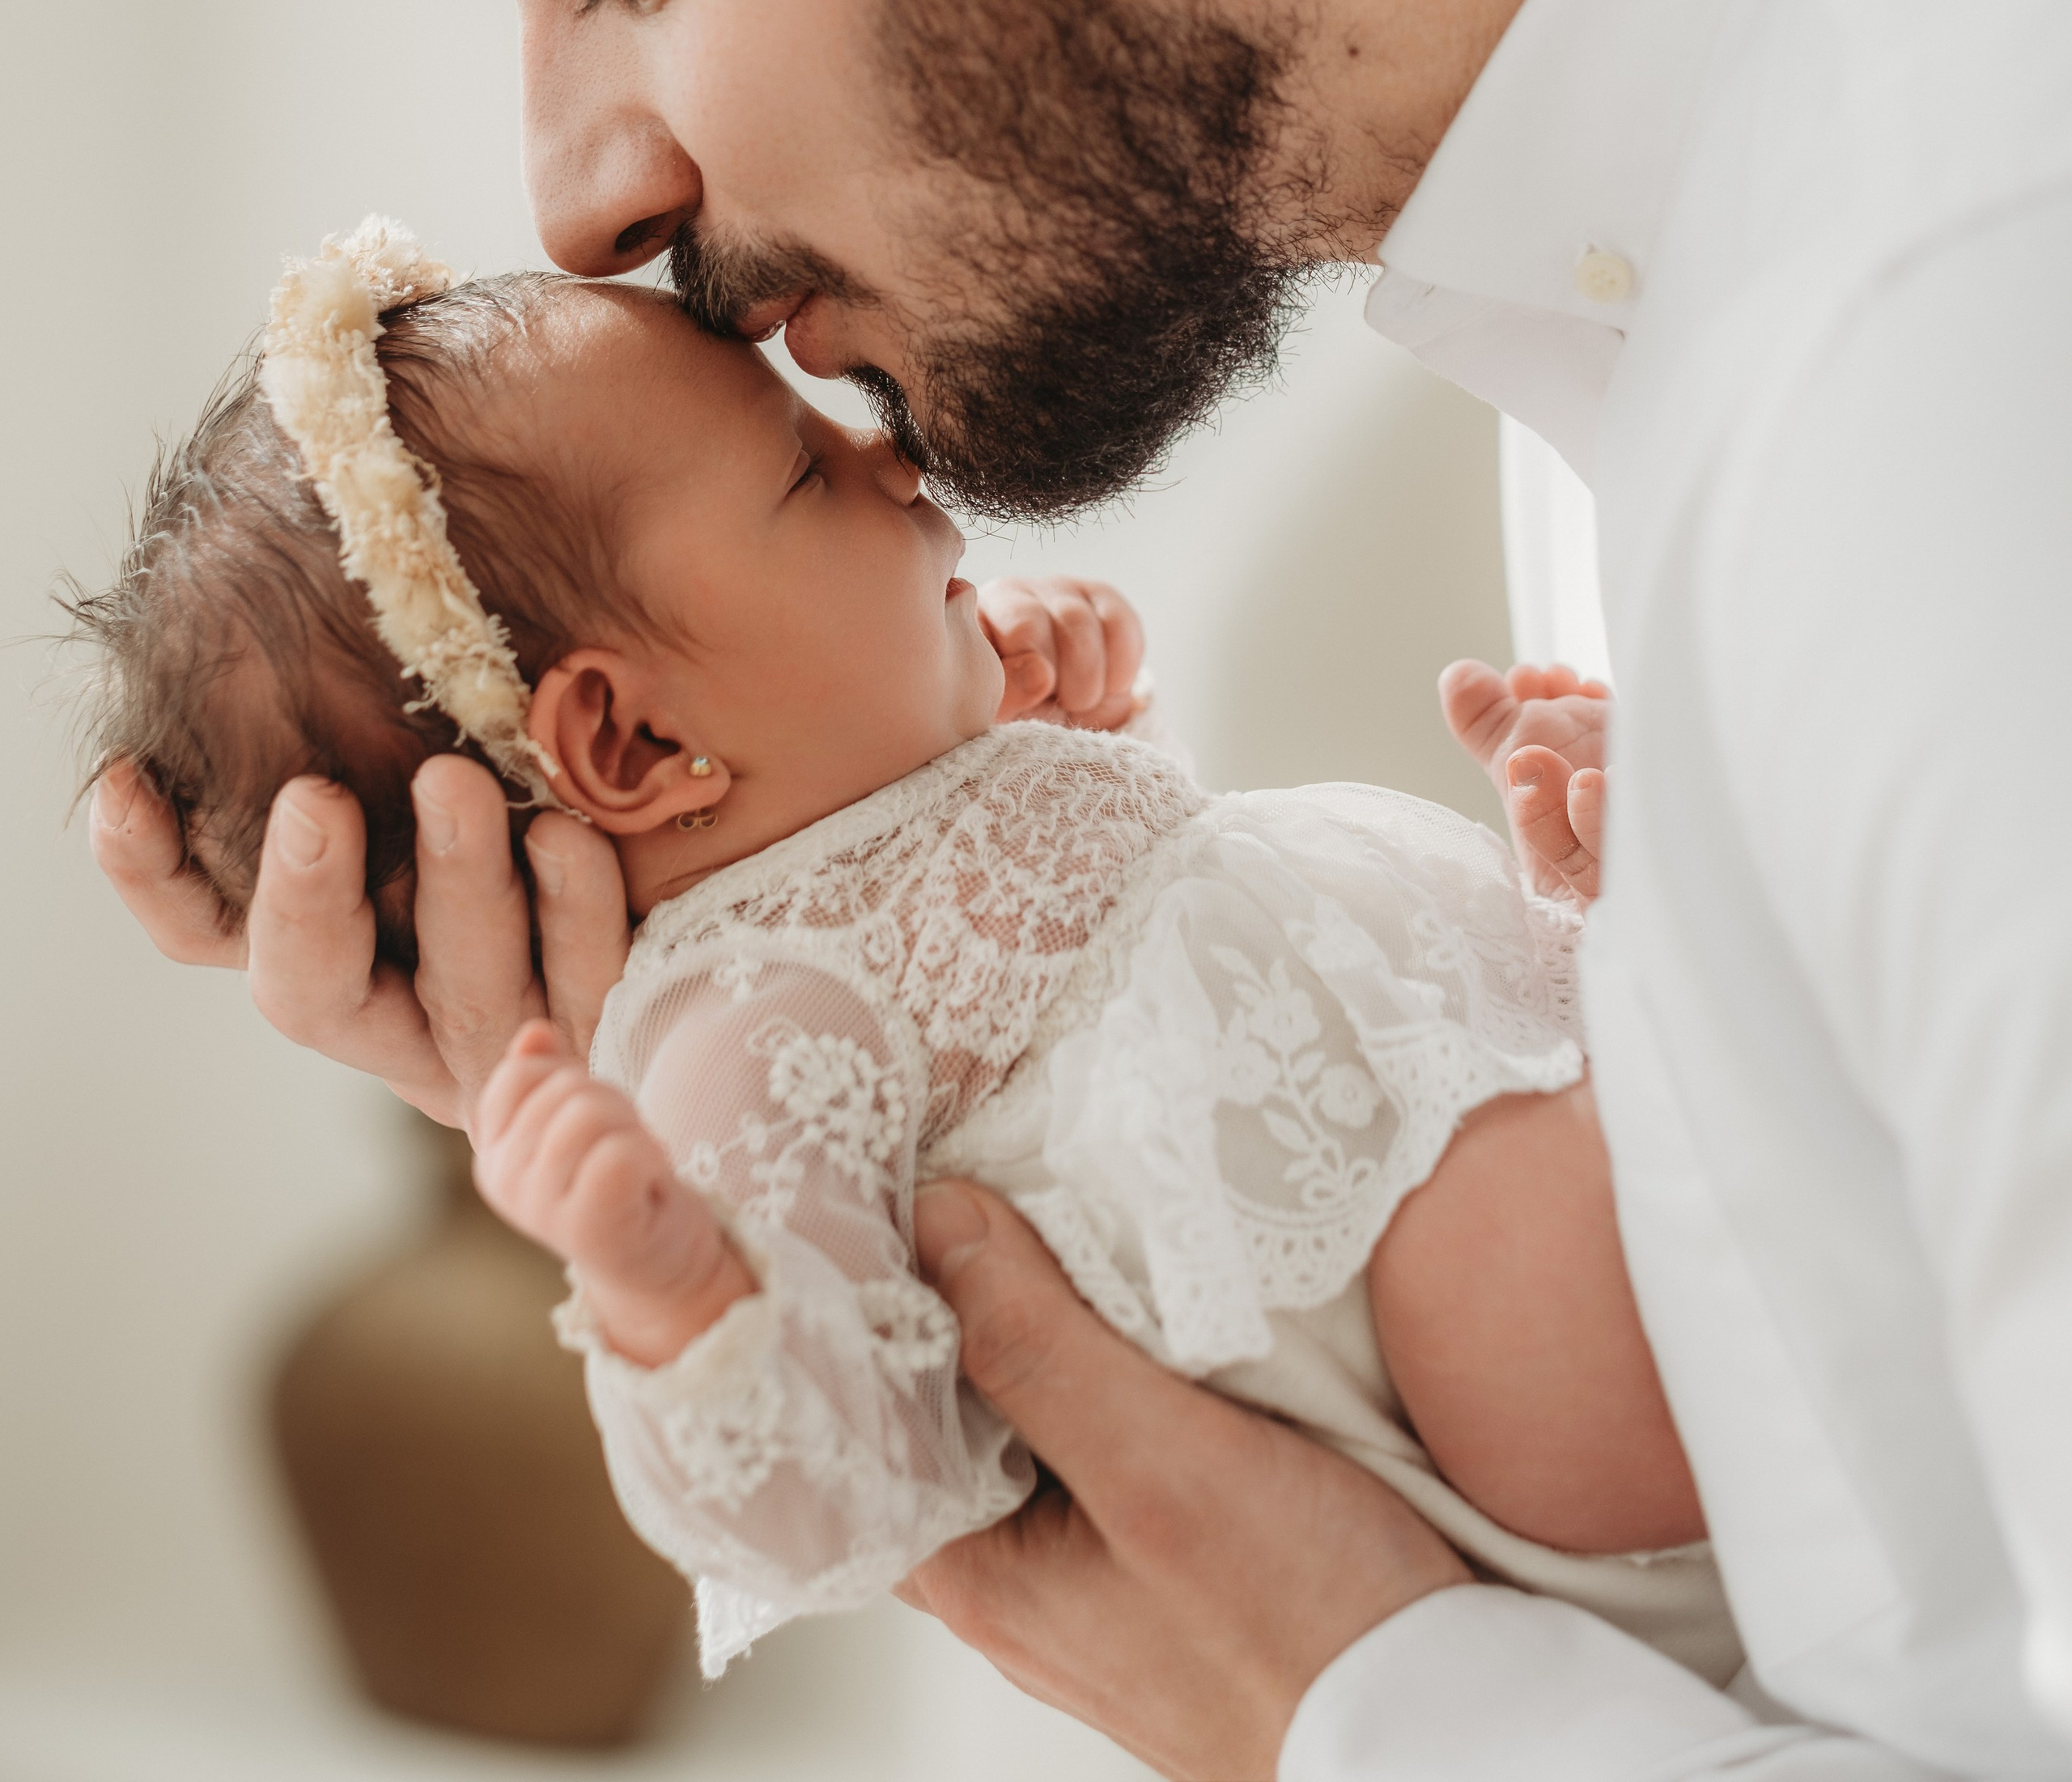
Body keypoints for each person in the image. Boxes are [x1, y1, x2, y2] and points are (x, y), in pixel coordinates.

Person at [89, 0, 2072, 1782]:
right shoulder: (1674, 270)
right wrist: (746, 1106)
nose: (587, 190)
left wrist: (1349, 1696)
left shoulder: (1957, 322)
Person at [78, 218, 1724, 1682]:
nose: (892, 462)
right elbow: (841, 1500)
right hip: (1484, 1349)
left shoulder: (877, 803)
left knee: (1664, 1099)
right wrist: (673, 1295)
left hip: (1455, 1128)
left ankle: (1633, 949)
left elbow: (1085, 926)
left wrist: (1046, 693)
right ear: (636, 746)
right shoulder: (740, 1018)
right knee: (1620, 1184)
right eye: (803, 475)